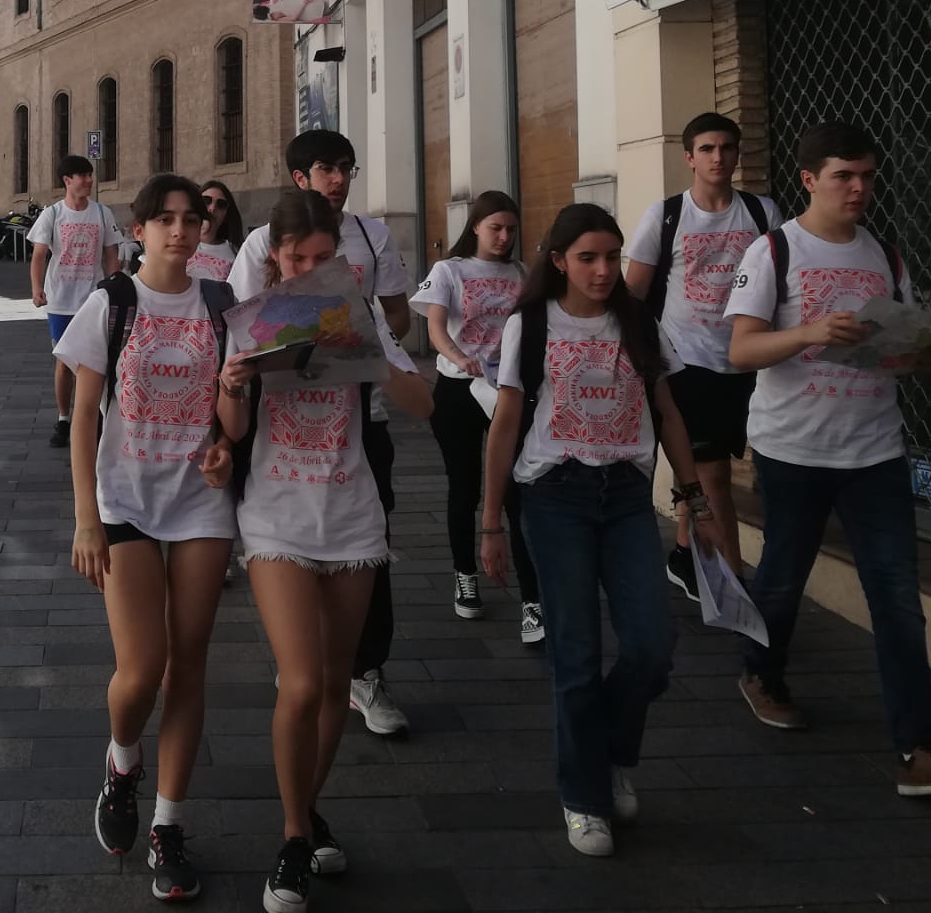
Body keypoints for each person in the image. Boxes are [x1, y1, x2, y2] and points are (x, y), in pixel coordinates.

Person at [724, 120, 931, 797]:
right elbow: (740, 351)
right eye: (845, 176)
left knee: (897, 598)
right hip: (792, 447)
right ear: (810, 179)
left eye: (868, 176)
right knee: (783, 578)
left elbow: (894, 350)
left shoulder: (884, 255)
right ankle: (761, 671)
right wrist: (811, 330)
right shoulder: (774, 252)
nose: (859, 189)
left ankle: (919, 748)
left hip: (873, 447)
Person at [480, 203, 729, 858]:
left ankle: (609, 751)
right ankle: (584, 797)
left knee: (652, 644)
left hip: (623, 496)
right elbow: (506, 423)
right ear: (558, 260)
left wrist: (692, 499)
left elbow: (668, 412)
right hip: (554, 495)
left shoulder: (638, 322)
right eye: (587, 257)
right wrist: (490, 524)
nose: (601, 270)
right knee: (576, 655)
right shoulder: (529, 325)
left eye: (611, 257)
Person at [213, 190, 433, 913]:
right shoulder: (251, 320)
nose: (308, 268)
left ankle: (308, 814)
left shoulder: (356, 311)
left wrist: (367, 350)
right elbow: (234, 431)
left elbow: (420, 404)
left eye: (321, 257)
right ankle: (290, 835)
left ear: (339, 255)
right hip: (276, 513)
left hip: (351, 510)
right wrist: (235, 383)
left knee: (337, 682)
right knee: (301, 683)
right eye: (295, 257)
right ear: (274, 256)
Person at [57, 174, 238, 902]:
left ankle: (168, 825)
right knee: (142, 669)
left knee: (188, 668)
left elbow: (233, 398)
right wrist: (84, 518)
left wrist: (226, 440)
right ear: (139, 230)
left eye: (192, 219)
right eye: (165, 219)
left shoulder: (222, 306)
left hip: (200, 502)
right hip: (126, 501)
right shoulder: (114, 302)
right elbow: (83, 417)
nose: (180, 231)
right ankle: (122, 759)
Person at [230, 129, 413, 736]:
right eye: (327, 169)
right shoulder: (260, 242)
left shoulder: (370, 235)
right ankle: (301, 661)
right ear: (300, 176)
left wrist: (359, 336)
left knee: (370, 544)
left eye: (347, 169)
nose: (340, 179)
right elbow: (246, 327)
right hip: (280, 432)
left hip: (359, 421)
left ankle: (364, 672)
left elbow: (397, 318)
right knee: (295, 574)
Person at [623, 113, 780, 602]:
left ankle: (685, 555)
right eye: (707, 148)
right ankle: (732, 582)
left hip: (747, 361)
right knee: (713, 476)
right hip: (686, 361)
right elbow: (634, 294)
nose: (718, 157)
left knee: (702, 471)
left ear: (737, 155)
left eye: (727, 148)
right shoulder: (666, 215)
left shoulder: (762, 213)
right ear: (689, 157)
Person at [412, 191, 542, 640]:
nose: (504, 237)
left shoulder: (523, 273)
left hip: (506, 388)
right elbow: (433, 325)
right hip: (458, 387)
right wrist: (457, 355)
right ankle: (465, 575)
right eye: (495, 228)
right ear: (475, 227)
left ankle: (533, 600)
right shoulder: (449, 270)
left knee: (514, 488)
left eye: (510, 229)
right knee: (464, 485)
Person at [30, 156, 125, 450]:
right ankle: (63, 417)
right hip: (60, 298)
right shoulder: (53, 214)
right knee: (64, 361)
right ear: (66, 180)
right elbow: (38, 255)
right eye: (81, 176)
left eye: (89, 175)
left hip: (93, 297)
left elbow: (111, 253)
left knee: (95, 360)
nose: (88, 180)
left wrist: (114, 284)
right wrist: (36, 288)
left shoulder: (101, 213)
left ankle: (96, 415)